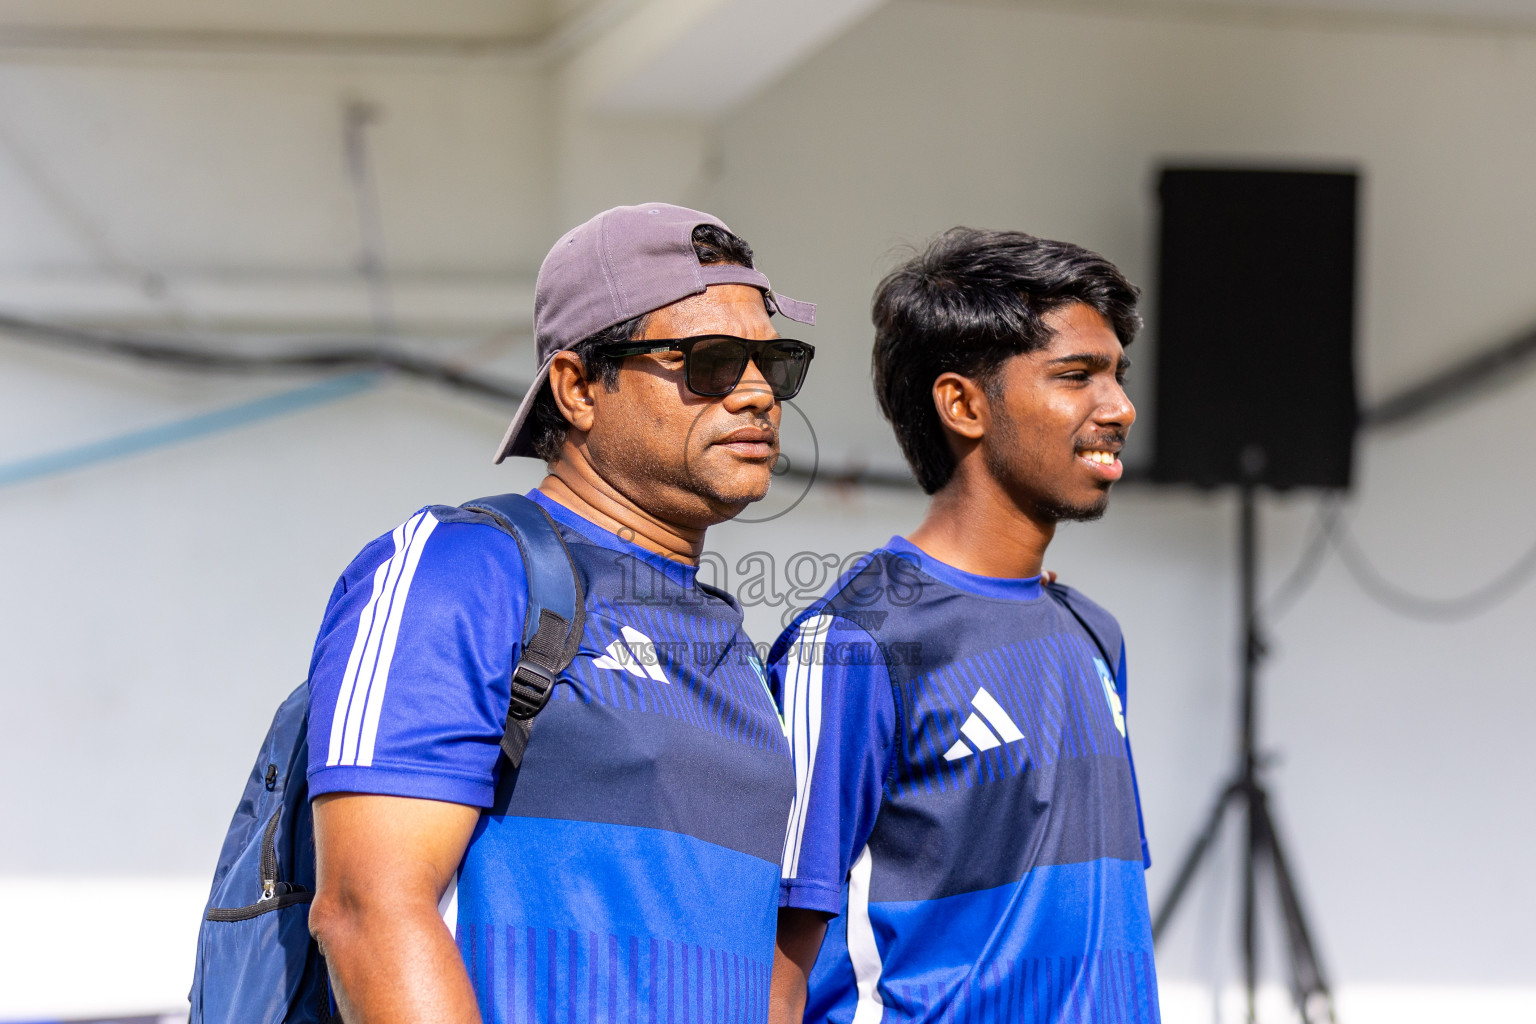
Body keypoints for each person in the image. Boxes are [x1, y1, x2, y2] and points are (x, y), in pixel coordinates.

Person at [305, 202, 818, 1024]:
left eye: (774, 362)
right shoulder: (466, 565)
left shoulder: (730, 644)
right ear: (578, 387)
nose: (757, 393)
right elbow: (367, 910)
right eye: (712, 363)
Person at [767, 229, 1158, 1023]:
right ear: (963, 404)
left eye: (1117, 375)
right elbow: (776, 957)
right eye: (1077, 375)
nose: (1119, 407)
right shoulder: (852, 644)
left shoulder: (1093, 632)